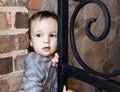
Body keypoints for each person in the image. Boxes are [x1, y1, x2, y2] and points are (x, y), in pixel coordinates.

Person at [22, 11, 74, 92]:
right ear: (31, 42)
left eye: (52, 35)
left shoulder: (54, 57)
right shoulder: (34, 61)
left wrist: (59, 66)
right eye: (39, 35)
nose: (46, 40)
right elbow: (32, 88)